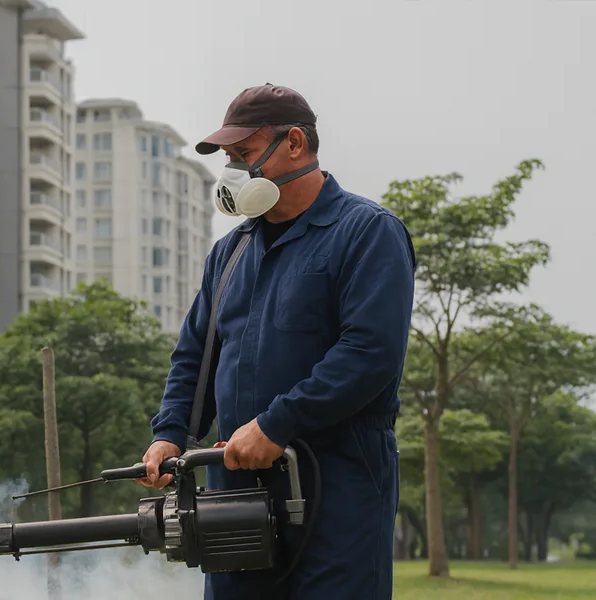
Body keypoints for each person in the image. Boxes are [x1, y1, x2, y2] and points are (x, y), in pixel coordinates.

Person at [138, 84, 416, 599]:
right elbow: (196, 356)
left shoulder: (366, 232)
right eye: (229, 158)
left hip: (340, 483)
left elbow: (369, 353)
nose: (233, 171)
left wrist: (276, 425)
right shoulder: (230, 252)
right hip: (235, 486)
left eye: (244, 155)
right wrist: (172, 433)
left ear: (294, 143)